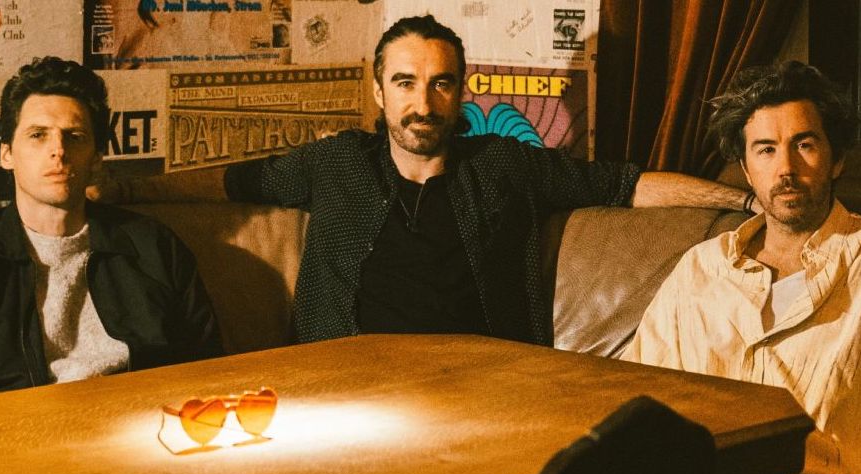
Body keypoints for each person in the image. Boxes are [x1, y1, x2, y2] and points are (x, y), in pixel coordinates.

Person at [222, 14, 746, 345]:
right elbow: (228, 183)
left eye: (439, 84)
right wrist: (135, 192)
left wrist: (746, 200)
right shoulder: (336, 163)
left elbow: (625, 186)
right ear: (379, 92)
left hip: (481, 386)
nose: (422, 105)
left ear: (461, 92)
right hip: (343, 386)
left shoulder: (502, 165)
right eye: (405, 84)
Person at [623, 61, 860, 474]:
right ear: (748, 169)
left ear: (837, 160)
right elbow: (635, 388)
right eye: (766, 150)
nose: (786, 169)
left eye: (805, 144)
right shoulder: (703, 267)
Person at [0, 56, 222, 395]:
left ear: (96, 157)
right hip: (25, 434)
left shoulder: (154, 247)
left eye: (74, 136)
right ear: (7, 154)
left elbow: (208, 370)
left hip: (144, 425)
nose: (58, 150)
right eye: (37, 135)